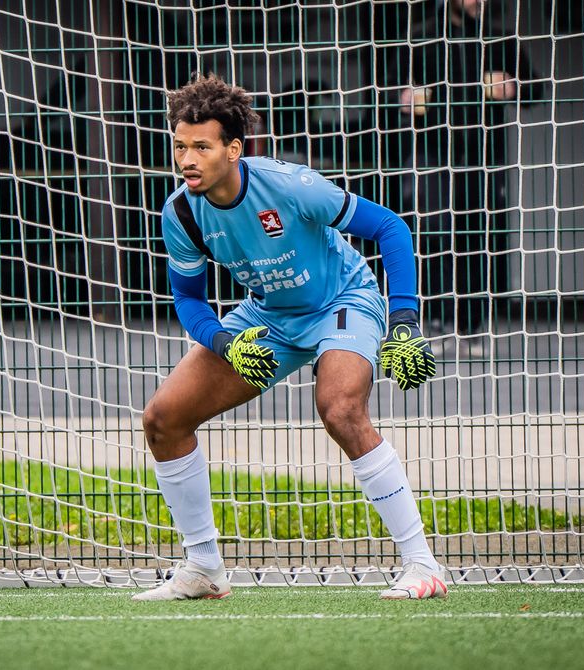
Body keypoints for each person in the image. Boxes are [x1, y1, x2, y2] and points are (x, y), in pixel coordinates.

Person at [133, 74, 442, 601]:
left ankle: (422, 565)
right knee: (163, 419)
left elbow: (390, 227)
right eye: (180, 146)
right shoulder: (181, 212)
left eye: (202, 147)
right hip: (268, 316)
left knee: (340, 409)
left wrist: (405, 321)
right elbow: (188, 299)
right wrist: (226, 344)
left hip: (341, 301)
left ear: (234, 149)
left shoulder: (292, 185)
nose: (187, 159)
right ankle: (203, 567)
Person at [397, 0, 545, 355]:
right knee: (433, 231)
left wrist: (513, 88)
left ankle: (472, 325)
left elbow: (536, 89)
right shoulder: (422, 37)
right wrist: (404, 99)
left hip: (483, 154)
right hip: (432, 152)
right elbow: (389, 93)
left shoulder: (498, 38)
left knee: (478, 233)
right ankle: (435, 319)